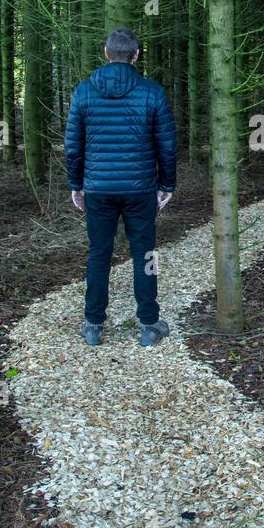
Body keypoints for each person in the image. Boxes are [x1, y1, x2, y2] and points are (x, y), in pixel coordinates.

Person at [64, 27, 177, 347]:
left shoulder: (84, 92)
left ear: (106, 53)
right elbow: (166, 144)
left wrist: (77, 184)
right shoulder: (152, 92)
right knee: (145, 255)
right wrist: (167, 184)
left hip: (98, 188)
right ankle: (150, 325)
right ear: (136, 55)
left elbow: (73, 146)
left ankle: (93, 325)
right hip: (140, 188)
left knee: (99, 254)